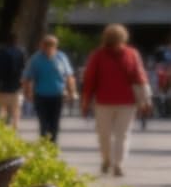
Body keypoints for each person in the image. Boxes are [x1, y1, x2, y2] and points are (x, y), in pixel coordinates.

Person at [80, 23, 149, 177]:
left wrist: (85, 101)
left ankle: (117, 164)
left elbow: (139, 76)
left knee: (118, 134)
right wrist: (86, 100)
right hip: (109, 102)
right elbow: (90, 78)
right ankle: (108, 161)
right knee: (109, 135)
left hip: (121, 102)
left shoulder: (129, 54)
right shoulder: (100, 55)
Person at [22, 34, 76, 143]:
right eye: (46, 45)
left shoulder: (61, 57)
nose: (48, 48)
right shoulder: (36, 59)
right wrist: (27, 93)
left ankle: (52, 144)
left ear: (55, 46)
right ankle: (44, 145)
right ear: (42, 46)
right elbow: (27, 77)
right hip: (41, 96)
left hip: (57, 95)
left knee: (54, 123)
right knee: (44, 123)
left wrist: (72, 92)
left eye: (51, 45)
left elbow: (69, 76)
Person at [0, 32, 26, 131]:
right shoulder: (20, 52)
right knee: (16, 107)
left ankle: (2, 127)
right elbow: (23, 67)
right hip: (16, 84)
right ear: (16, 41)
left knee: (2, 107)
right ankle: (15, 126)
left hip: (1, 85)